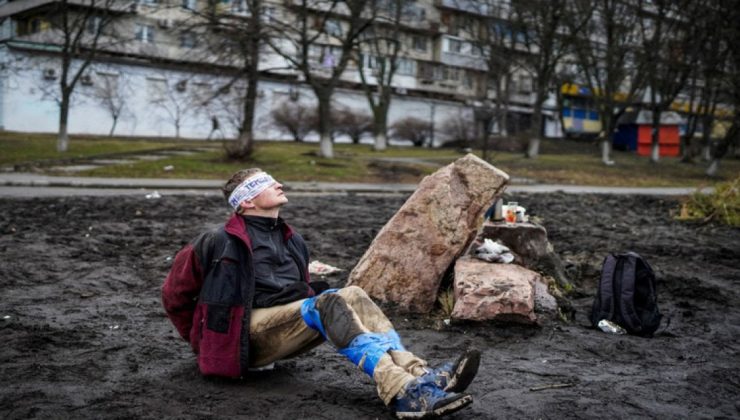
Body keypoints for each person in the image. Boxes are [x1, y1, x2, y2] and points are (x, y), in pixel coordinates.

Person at [161, 168, 480, 418]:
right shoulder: (216, 241)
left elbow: (298, 296)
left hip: (279, 328)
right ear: (246, 201)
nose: (278, 184)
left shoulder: (292, 241)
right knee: (325, 302)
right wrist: (205, 343)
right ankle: (401, 391)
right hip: (242, 337)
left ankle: (420, 376)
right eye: (265, 183)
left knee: (352, 292)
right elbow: (174, 295)